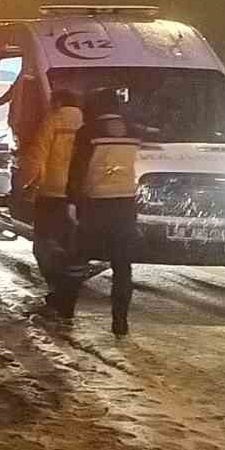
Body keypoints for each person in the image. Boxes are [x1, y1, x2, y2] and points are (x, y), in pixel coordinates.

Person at [67, 86, 142, 336]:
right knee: (122, 265)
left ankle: (66, 308)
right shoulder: (132, 131)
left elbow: (77, 168)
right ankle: (120, 322)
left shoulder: (88, 132)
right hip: (125, 203)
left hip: (96, 203)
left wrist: (72, 200)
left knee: (78, 258)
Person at [16, 88, 84, 317]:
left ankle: (57, 289)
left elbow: (38, 156)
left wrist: (25, 184)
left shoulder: (53, 121)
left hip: (51, 193)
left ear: (57, 102)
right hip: (77, 195)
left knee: (44, 245)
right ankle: (68, 297)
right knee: (71, 247)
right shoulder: (87, 122)